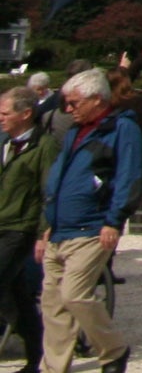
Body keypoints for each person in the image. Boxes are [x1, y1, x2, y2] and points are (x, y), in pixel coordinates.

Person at [36, 68, 140, 373]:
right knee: (52, 304)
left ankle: (113, 348)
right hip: (60, 228)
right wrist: (47, 225)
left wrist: (114, 220)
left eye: (74, 103)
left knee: (74, 293)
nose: (68, 109)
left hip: (91, 227)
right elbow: (60, 178)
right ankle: (53, 367)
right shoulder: (73, 131)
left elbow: (129, 177)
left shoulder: (121, 128)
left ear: (97, 99)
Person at [0, 88, 58, 373]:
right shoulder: (4, 143)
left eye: (5, 113)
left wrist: (43, 232)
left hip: (20, 228)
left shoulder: (45, 146)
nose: (0, 118)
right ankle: (37, 353)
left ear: (26, 114)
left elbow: (50, 191)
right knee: (19, 293)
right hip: (1, 223)